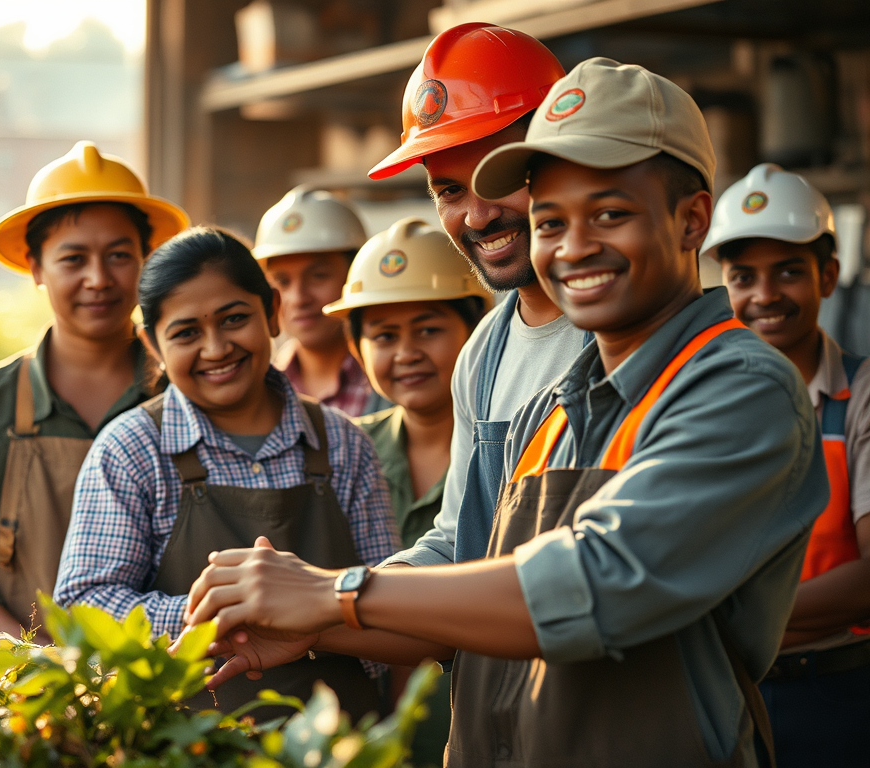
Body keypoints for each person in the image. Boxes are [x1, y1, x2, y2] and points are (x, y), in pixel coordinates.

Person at [180, 59, 830, 767]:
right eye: (551, 221)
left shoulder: (741, 386)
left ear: (691, 220)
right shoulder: (555, 402)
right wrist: (310, 625)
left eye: (609, 214)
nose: (575, 247)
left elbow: (596, 583)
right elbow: (463, 572)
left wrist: (336, 595)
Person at [53, 226, 400, 720]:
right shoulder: (131, 449)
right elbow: (85, 606)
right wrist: (221, 617)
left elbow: (390, 603)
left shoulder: (342, 445)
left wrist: (311, 616)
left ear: (273, 313)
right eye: (186, 332)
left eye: (234, 319)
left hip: (342, 744)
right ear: (153, 343)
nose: (216, 349)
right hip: (185, 745)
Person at [0, 141, 189, 642]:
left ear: (147, 259)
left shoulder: (188, 396)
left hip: (173, 686)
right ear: (35, 267)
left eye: (119, 255)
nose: (98, 278)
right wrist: (26, 657)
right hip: (20, 698)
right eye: (73, 259)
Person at [369, 22, 586, 565]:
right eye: (449, 191)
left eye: (498, 177)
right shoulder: (482, 356)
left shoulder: (636, 334)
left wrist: (343, 603)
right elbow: (456, 546)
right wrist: (332, 597)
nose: (478, 215)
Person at [704, 163, 870, 768]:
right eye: (744, 276)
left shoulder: (861, 397)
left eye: (789, 272)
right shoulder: (695, 406)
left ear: (828, 276)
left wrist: (716, 618)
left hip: (840, 700)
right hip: (721, 698)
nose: (765, 296)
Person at [325, 217, 491, 765]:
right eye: (384, 336)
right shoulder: (340, 454)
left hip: (478, 729)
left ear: (477, 331)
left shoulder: (510, 452)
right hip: (361, 737)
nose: (406, 353)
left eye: (428, 329)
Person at [253, 186, 389, 417]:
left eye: (318, 276)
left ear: (355, 274)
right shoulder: (257, 388)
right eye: (282, 281)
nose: (298, 298)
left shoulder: (396, 379)